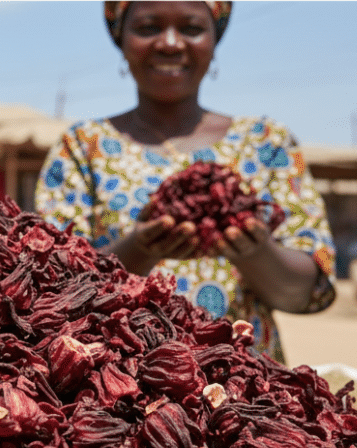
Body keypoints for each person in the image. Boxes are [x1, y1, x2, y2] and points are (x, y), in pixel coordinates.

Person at [34, 1, 336, 363]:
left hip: (246, 393)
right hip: (121, 389)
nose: (171, 43)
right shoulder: (83, 147)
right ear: (121, 38)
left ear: (214, 38)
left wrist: (257, 252)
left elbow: (303, 293)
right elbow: (52, 291)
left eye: (191, 28)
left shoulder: (266, 144)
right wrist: (140, 248)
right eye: (148, 27)